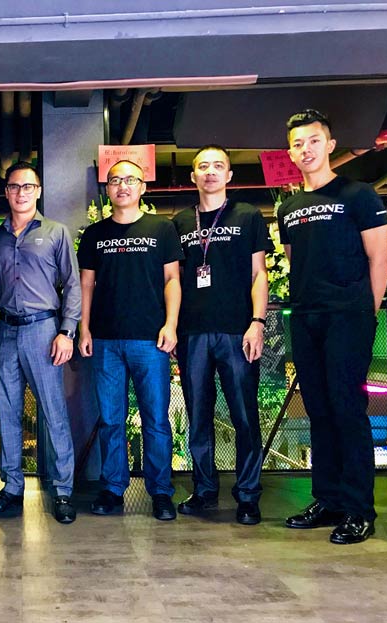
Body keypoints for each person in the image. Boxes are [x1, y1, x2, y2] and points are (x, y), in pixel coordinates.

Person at [278, 109, 387, 544]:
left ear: (329, 144)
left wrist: (366, 311)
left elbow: (379, 258)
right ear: (290, 153)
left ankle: (359, 509)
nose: (305, 149)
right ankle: (328, 499)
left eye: (313, 141)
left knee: (347, 408)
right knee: (318, 409)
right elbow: (296, 260)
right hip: (306, 316)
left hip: (349, 316)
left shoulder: (358, 195)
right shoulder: (288, 208)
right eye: (298, 144)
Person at [171, 145, 272, 525]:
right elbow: (174, 280)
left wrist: (257, 322)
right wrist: (172, 327)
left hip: (237, 330)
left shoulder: (248, 216)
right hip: (192, 333)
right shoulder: (180, 222)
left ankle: (248, 495)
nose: (210, 172)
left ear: (229, 175)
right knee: (197, 415)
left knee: (244, 415)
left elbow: (259, 273)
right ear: (193, 176)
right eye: (203, 166)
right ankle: (204, 490)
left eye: (218, 166)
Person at [77, 160, 183, 521]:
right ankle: (113, 487)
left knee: (156, 419)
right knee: (111, 420)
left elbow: (172, 280)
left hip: (150, 341)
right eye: (115, 180)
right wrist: (84, 328)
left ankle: (161, 491)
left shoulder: (162, 228)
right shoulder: (95, 234)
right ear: (107, 188)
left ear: (143, 186)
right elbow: (86, 284)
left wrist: (171, 325)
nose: (122, 186)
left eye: (130, 180)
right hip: (105, 340)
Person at [0, 161, 80, 524]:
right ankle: (12, 489)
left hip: (44, 331)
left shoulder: (55, 232)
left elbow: (73, 284)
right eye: (14, 187)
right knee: (7, 413)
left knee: (54, 412)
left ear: (38, 191)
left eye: (28, 186)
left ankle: (63, 491)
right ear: (6, 192)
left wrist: (67, 331)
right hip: (5, 332)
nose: (21, 193)